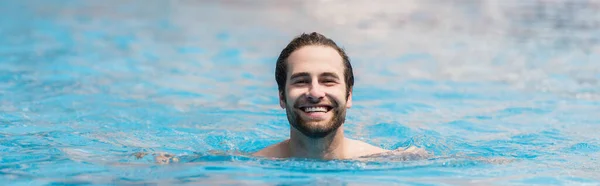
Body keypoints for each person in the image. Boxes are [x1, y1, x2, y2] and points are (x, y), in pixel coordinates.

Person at [253, 32, 428, 160]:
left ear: (349, 95)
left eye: (328, 81)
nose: (315, 93)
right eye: (301, 81)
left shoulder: (390, 161)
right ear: (282, 97)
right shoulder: (252, 164)